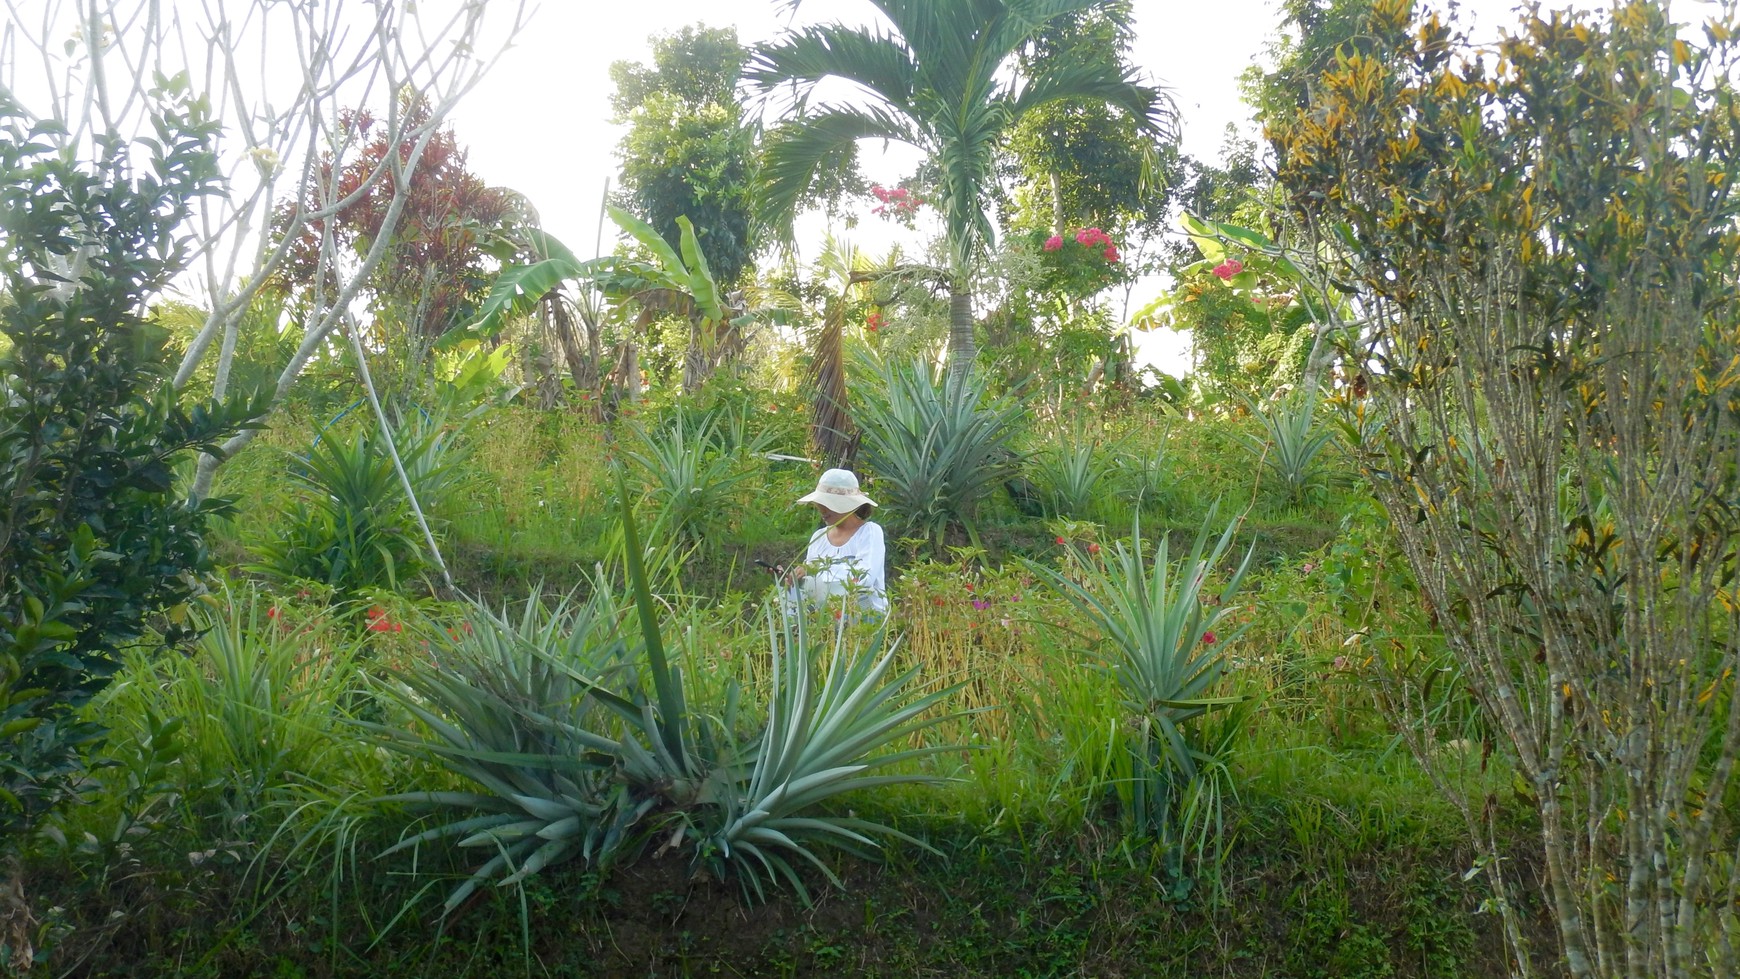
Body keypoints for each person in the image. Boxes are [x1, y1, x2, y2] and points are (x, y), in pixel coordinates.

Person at [784, 468, 887, 616]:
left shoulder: (869, 532)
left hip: (864, 619)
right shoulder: (819, 537)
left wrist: (816, 570)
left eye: (828, 504)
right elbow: (812, 587)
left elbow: (864, 578)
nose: (822, 510)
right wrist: (796, 580)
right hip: (824, 619)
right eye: (819, 504)